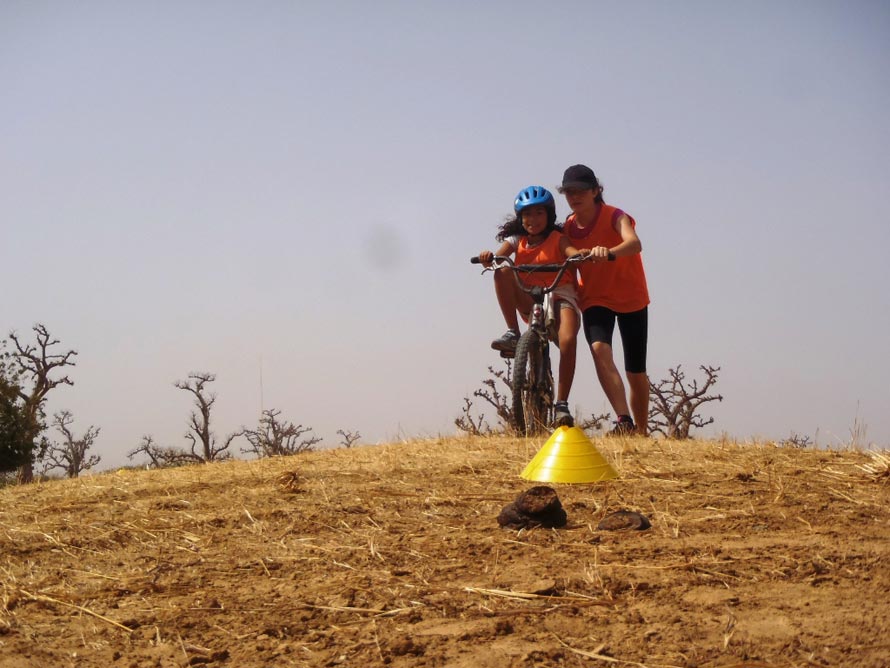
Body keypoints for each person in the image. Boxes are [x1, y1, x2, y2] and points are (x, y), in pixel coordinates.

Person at [477, 185, 582, 427]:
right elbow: (498, 258)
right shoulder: (517, 240)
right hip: (530, 297)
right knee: (503, 271)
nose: (532, 219)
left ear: (549, 215)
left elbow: (572, 252)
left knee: (567, 341)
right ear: (520, 217)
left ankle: (561, 404)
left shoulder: (558, 239)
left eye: (538, 213)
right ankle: (513, 333)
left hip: (560, 296)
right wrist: (488, 258)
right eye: (527, 214)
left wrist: (578, 254)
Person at [558, 164, 650, 436]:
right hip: (595, 298)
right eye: (569, 192)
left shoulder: (615, 215)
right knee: (599, 349)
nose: (575, 197)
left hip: (631, 297)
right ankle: (624, 420)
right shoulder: (567, 227)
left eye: (581, 190)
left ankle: (641, 431)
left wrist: (608, 252)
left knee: (635, 372)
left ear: (596, 191)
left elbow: (634, 243)